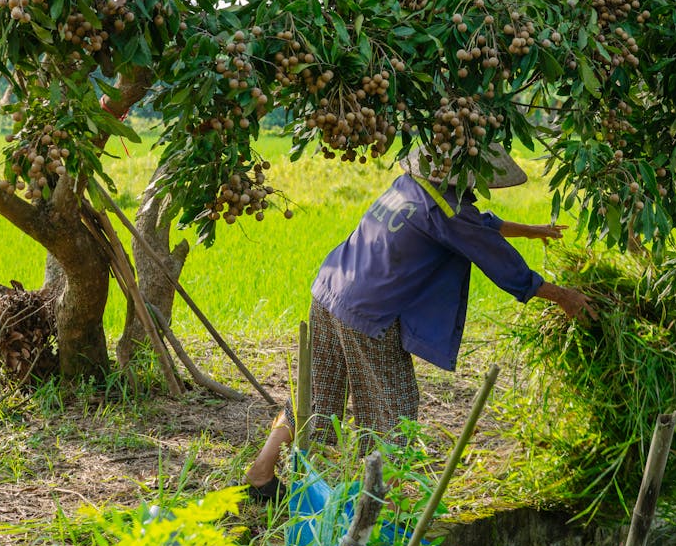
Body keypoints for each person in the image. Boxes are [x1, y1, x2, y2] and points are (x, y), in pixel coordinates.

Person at [244, 144, 594, 501]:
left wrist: (530, 230)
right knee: (397, 415)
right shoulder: (449, 211)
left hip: (329, 290)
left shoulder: (409, 184)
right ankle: (376, 510)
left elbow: (476, 224)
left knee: (316, 395)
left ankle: (260, 473)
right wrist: (564, 296)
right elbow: (502, 264)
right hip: (369, 314)